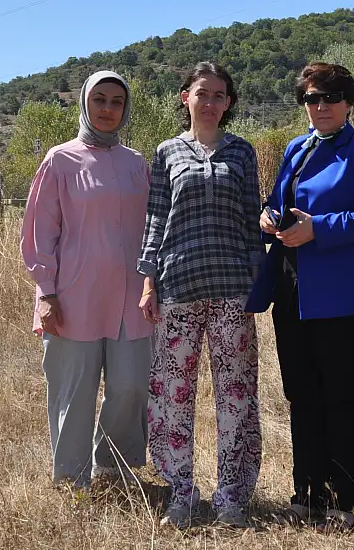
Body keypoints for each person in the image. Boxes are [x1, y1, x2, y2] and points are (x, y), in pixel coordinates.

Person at [246, 62, 354, 529]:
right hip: (294, 290)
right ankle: (307, 493)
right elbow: (277, 200)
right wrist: (267, 218)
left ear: (348, 102)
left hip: (350, 295)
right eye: (312, 99)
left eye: (331, 98)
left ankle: (343, 500)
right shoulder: (296, 148)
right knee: (303, 394)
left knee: (345, 394)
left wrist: (319, 230)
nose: (321, 107)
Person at [138, 62, 264, 529]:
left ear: (228, 103)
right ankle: (181, 492)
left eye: (219, 95)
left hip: (233, 290)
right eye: (201, 93)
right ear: (185, 97)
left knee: (237, 398)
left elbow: (252, 220)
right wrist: (148, 282)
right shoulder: (167, 152)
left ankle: (232, 496)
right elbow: (154, 221)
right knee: (173, 395)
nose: (210, 101)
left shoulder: (242, 153)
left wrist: (258, 283)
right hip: (178, 288)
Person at [21, 70, 152, 490]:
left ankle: (112, 468)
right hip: (74, 295)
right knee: (73, 393)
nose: (109, 109)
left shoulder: (137, 164)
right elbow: (40, 231)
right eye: (100, 100)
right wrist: (47, 292)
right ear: (84, 103)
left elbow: (152, 226)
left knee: (131, 387)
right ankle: (70, 478)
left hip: (132, 297)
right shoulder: (60, 160)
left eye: (117, 102)